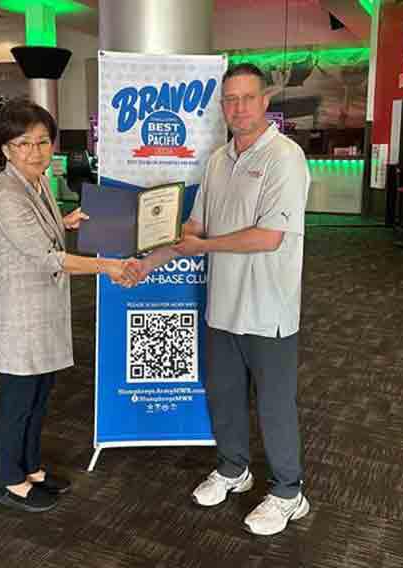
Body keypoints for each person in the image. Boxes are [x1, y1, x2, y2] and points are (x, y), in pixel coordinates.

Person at [127, 63, 311, 536]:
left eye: (247, 97)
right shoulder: (216, 160)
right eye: (230, 99)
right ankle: (234, 469)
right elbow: (195, 227)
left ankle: (289, 492)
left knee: (274, 403)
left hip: (268, 308)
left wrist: (202, 246)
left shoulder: (284, 158)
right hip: (223, 305)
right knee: (225, 396)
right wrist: (151, 259)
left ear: (265, 101)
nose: (238, 107)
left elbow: (270, 236)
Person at [0, 99, 138, 513]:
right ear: (6, 150)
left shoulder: (38, 182)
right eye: (23, 144)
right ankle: (7, 480)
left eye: (42, 142)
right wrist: (110, 266)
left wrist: (62, 222)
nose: (35, 151)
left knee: (39, 395)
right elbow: (48, 257)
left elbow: (43, 234)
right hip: (21, 315)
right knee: (17, 402)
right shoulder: (6, 196)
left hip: (45, 309)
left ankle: (29, 468)